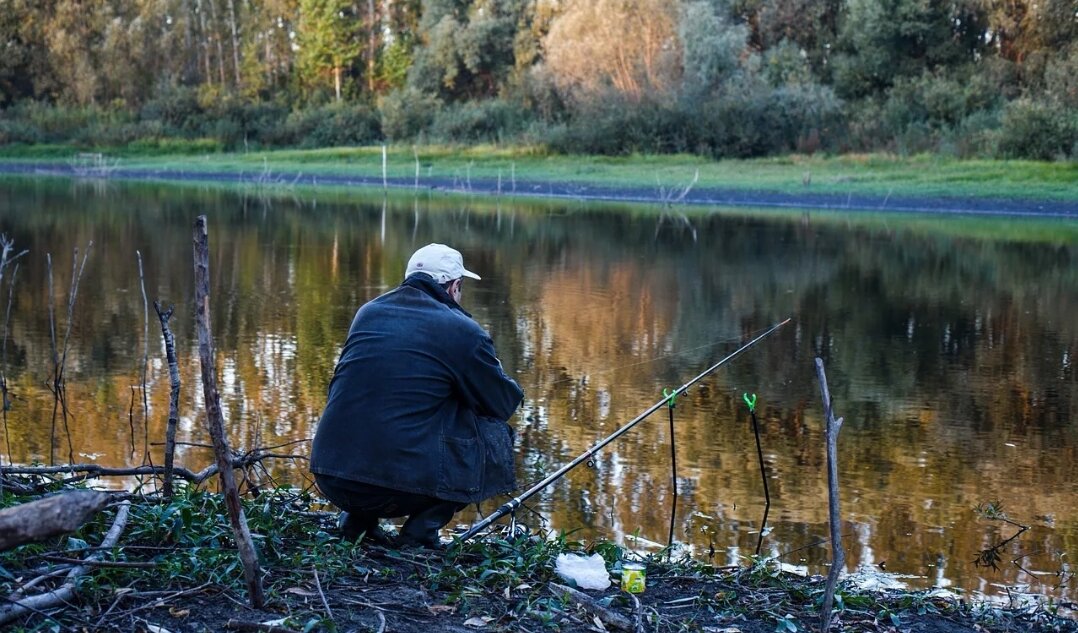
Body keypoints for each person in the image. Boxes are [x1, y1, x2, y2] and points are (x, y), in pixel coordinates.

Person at [310, 243, 524, 548]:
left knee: (389, 406)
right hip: (393, 487)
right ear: (454, 287)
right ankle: (420, 533)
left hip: (331, 475)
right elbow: (501, 404)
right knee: (494, 434)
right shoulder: (462, 330)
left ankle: (357, 521)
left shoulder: (368, 313)